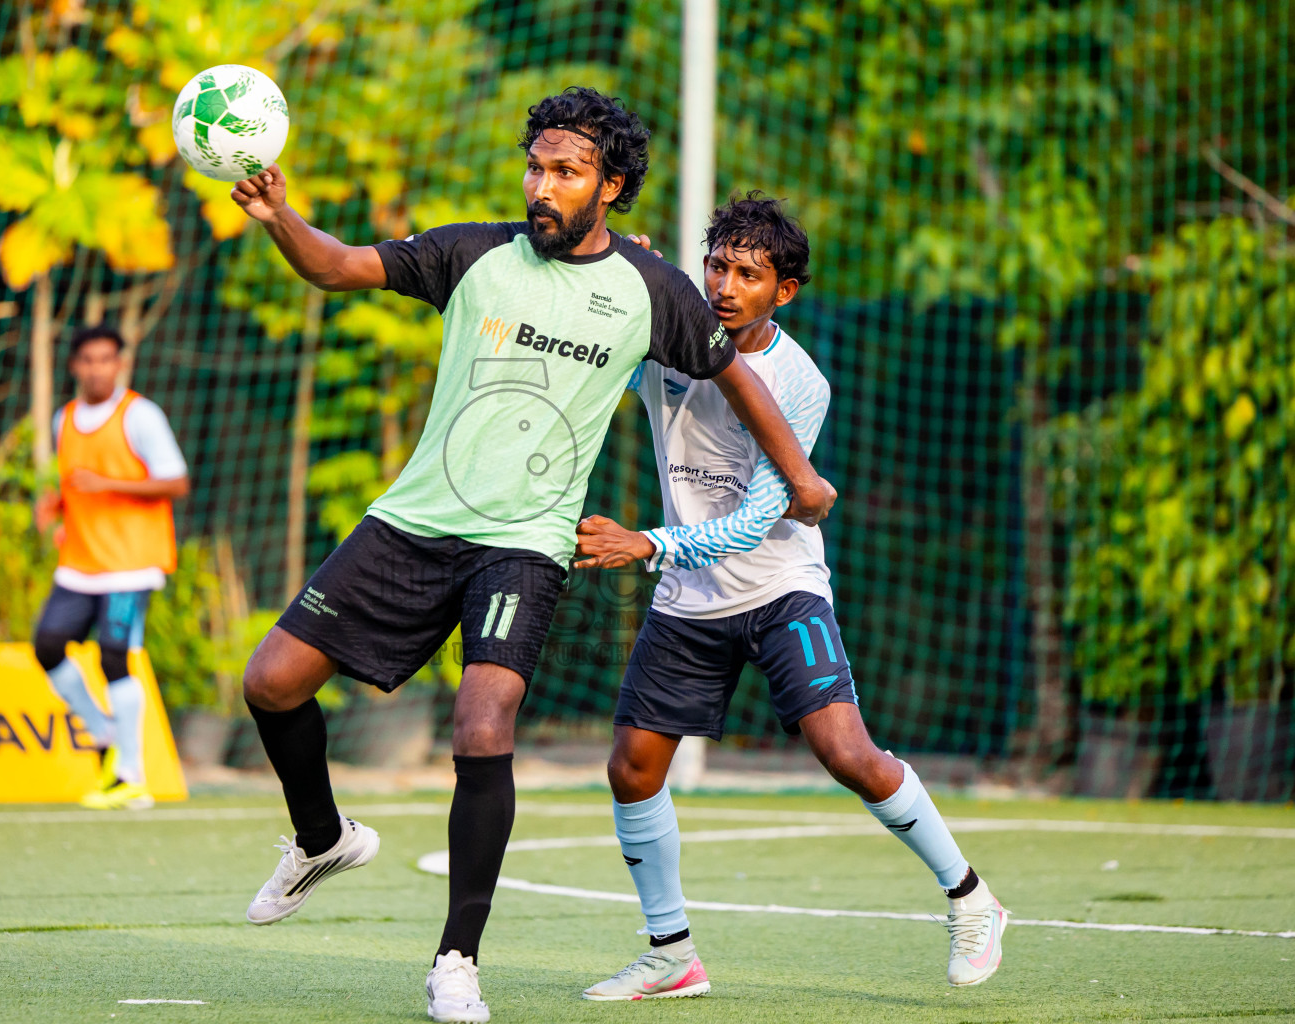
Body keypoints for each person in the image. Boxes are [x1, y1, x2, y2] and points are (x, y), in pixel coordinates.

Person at [228, 88, 838, 1023]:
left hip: (524, 544)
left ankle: (456, 962)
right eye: (536, 166)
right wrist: (279, 217)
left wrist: (799, 474)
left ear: (612, 186)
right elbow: (340, 266)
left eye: (566, 171)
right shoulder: (471, 251)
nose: (541, 186)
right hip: (414, 521)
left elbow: (742, 381)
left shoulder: (653, 291)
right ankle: (322, 838)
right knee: (270, 684)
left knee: (484, 721)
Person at [573, 194, 1007, 1001]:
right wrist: (617, 272)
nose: (726, 286)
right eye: (716, 266)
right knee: (632, 770)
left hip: (781, 591)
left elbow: (752, 525)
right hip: (688, 600)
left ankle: (971, 897)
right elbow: (603, 340)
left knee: (847, 754)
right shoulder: (672, 339)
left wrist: (644, 544)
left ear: (786, 290)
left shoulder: (800, 383)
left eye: (749, 273)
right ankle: (671, 954)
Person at [32, 325, 189, 811]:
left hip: (130, 563)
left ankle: (130, 776)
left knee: (114, 655)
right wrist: (55, 506)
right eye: (88, 359)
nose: (97, 368)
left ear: (120, 363)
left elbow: (176, 482)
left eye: (106, 359)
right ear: (74, 366)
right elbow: (75, 481)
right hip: (80, 562)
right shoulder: (65, 418)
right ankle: (102, 730)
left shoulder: (140, 415)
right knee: (48, 644)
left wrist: (109, 484)